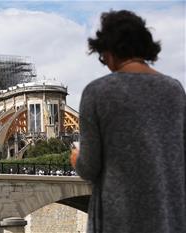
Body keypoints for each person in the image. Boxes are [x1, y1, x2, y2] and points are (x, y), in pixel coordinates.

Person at [71, 10, 185, 233]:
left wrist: (76, 159)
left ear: (109, 51)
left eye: (103, 57)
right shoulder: (175, 90)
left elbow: (90, 167)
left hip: (118, 219)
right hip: (168, 217)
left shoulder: (97, 92)